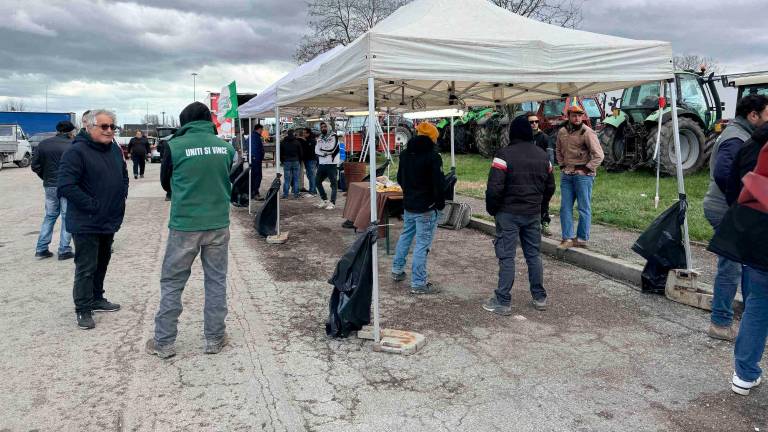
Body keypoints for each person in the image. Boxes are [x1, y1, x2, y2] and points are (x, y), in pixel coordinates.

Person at [146, 102, 236, 359]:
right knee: (216, 280)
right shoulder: (225, 147)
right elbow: (226, 175)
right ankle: (215, 338)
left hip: (185, 225)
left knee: (173, 282)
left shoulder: (173, 147)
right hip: (218, 223)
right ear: (209, 120)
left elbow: (166, 183)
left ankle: (164, 342)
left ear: (184, 121)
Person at [703, 94, 768, 341]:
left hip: (726, 206)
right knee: (731, 264)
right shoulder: (737, 137)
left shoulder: (738, 133)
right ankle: (720, 322)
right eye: (767, 114)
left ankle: (745, 317)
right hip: (724, 208)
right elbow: (724, 172)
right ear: (753, 115)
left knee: (743, 263)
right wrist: (740, 204)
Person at [58, 110, 128, 330]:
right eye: (104, 126)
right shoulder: (76, 152)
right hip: (86, 221)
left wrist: (121, 196)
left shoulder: (114, 150)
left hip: (109, 219)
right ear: (88, 127)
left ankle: (97, 298)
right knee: (86, 266)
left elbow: (123, 175)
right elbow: (66, 186)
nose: (109, 130)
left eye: (112, 127)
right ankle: (83, 309)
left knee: (103, 261)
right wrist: (93, 205)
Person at [708, 140, 768, 396]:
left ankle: (744, 374)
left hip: (759, 230)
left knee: (756, 305)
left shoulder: (762, 144)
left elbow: (737, 178)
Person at [482, 115, 552, 315]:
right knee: (534, 255)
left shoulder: (503, 154)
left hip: (508, 213)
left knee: (507, 257)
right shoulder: (543, 156)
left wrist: (492, 209)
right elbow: (550, 187)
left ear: (512, 133)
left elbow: (494, 188)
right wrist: (541, 207)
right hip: (532, 213)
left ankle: (503, 301)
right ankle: (539, 297)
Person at [391, 122, 445, 295]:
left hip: (409, 205)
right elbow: (438, 184)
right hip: (426, 207)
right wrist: (439, 203)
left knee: (406, 236)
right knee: (422, 244)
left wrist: (409, 193)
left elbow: (400, 178)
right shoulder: (433, 156)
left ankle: (397, 270)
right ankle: (418, 283)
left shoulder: (405, 154)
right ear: (432, 138)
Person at [555, 105, 604, 249]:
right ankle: (567, 238)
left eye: (579, 115)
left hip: (583, 176)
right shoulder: (562, 132)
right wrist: (562, 166)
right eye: (574, 115)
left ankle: (582, 238)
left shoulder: (587, 132)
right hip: (567, 175)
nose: (577, 118)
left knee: (583, 208)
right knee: (565, 207)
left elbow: (599, 155)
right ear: (568, 116)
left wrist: (586, 169)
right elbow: (558, 149)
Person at [31, 120, 76, 260]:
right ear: (70, 132)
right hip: (67, 185)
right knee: (66, 216)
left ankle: (41, 248)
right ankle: (64, 249)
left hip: (49, 185)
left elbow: (35, 165)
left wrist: (45, 176)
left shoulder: (43, 144)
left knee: (49, 216)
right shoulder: (73, 145)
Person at [528, 113, 556, 236]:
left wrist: (548, 171)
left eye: (536, 121)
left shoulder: (544, 137)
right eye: (531, 122)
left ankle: (545, 222)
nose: (534, 124)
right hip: (528, 174)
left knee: (544, 199)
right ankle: (531, 224)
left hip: (542, 173)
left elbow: (550, 157)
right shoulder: (525, 138)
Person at [314, 122, 340, 210]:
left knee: (333, 184)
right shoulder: (320, 138)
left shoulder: (334, 136)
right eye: (321, 127)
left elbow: (332, 149)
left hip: (331, 164)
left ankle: (332, 202)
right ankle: (324, 199)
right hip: (322, 163)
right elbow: (316, 151)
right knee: (317, 182)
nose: (323, 128)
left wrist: (322, 150)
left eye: (325, 126)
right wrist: (323, 153)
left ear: (328, 127)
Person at [280, 129, 302, 199]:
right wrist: (299, 161)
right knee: (296, 179)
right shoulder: (297, 142)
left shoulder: (283, 142)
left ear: (287, 134)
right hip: (296, 161)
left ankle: (285, 194)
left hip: (286, 161)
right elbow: (301, 153)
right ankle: (296, 194)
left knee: (287, 179)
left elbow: (281, 153)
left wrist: (282, 161)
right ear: (294, 134)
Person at [250, 124, 265, 200]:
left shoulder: (254, 136)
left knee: (255, 176)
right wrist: (256, 157)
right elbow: (255, 149)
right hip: (256, 160)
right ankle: (255, 193)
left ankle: (254, 192)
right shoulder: (255, 137)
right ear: (258, 129)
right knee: (257, 176)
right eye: (262, 130)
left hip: (255, 159)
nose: (262, 131)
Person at [302, 127, 318, 196]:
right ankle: (313, 189)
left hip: (311, 160)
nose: (303, 134)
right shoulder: (308, 140)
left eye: (304, 133)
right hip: (308, 160)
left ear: (308, 133)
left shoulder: (311, 140)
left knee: (311, 175)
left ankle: (313, 191)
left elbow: (309, 151)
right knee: (309, 175)